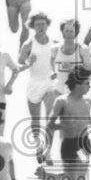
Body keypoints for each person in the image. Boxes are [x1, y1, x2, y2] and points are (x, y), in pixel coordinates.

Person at [44, 67, 91, 180]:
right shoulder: (62, 101)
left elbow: (89, 124)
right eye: (87, 83)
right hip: (68, 145)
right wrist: (64, 125)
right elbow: (50, 125)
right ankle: (70, 178)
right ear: (78, 84)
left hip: (83, 146)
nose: (89, 86)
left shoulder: (88, 102)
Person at [18, 11, 59, 165]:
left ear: (47, 25)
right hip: (34, 84)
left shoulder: (54, 42)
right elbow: (19, 63)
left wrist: (55, 72)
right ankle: (38, 147)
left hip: (49, 84)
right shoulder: (28, 44)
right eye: (37, 24)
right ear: (33, 27)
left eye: (43, 24)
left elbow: (57, 61)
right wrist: (28, 61)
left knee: (50, 118)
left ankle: (48, 152)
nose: (41, 27)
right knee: (36, 119)